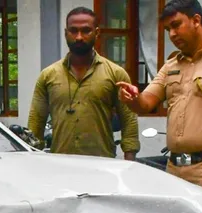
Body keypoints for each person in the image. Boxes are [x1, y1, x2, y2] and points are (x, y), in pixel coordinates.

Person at [117, 0, 202, 197]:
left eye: (176, 25)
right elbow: (146, 103)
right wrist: (133, 98)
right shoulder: (171, 65)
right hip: (175, 169)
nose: (172, 34)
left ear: (196, 20)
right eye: (167, 29)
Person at [27, 7, 139, 161]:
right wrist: (33, 161)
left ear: (97, 33)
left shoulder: (116, 74)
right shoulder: (48, 76)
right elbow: (35, 123)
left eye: (86, 31)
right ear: (66, 33)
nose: (79, 37)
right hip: (60, 163)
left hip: (102, 163)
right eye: (73, 31)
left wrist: (130, 161)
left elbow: (129, 120)